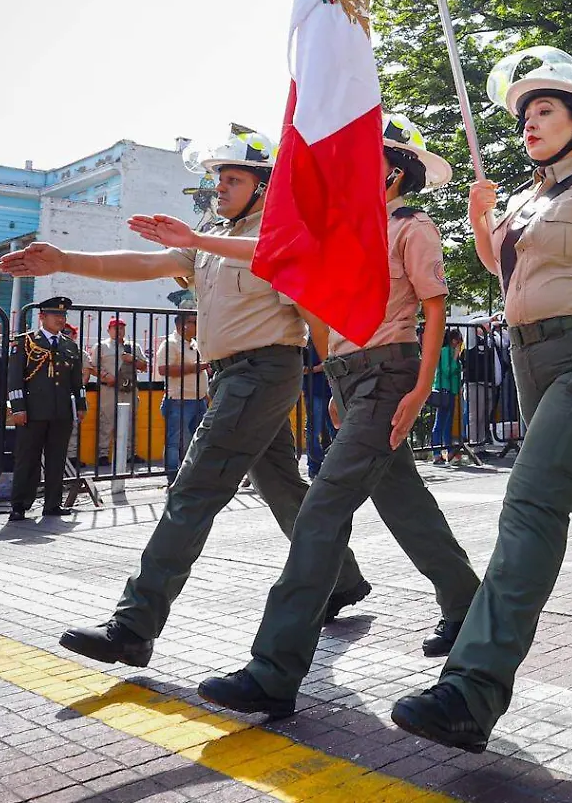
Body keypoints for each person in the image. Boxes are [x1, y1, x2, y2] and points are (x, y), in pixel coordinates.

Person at [390, 46, 572, 752]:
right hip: (533, 357)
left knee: (531, 502)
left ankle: (473, 688)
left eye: (544, 109)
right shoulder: (527, 197)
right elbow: (509, 271)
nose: (528, 122)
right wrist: (484, 220)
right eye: (523, 114)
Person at [0, 128, 369, 669]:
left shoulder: (279, 235)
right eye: (218, 176)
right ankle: (343, 577)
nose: (219, 187)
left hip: (263, 371)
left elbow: (315, 314)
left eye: (234, 178)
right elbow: (144, 264)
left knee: (194, 490)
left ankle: (134, 624)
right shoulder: (210, 238)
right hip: (232, 376)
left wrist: (339, 382)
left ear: (264, 186)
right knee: (283, 487)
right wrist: (64, 260)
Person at [199, 114, 481, 718]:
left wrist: (421, 385)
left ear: (395, 171)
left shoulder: (412, 225)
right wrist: (333, 376)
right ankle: (466, 604)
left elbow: (434, 307)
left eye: (367, 158)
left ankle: (273, 669)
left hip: (391, 374)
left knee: (323, 507)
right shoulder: (342, 230)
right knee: (404, 499)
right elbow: (301, 285)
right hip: (353, 377)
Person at [7, 296, 84, 521]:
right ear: (42, 317)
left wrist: (80, 405)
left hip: (61, 412)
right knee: (27, 458)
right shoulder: (26, 342)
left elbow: (76, 381)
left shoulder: (69, 345)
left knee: (57, 458)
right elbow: (15, 380)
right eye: (56, 315)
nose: (61, 319)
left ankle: (52, 503)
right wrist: (18, 408)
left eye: (63, 315)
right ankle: (19, 505)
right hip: (33, 411)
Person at [151, 312, 208, 482]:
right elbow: (164, 370)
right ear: (181, 325)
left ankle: (190, 477)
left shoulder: (194, 343)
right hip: (179, 401)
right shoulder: (170, 344)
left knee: (196, 441)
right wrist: (196, 368)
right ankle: (173, 478)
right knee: (175, 442)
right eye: (193, 322)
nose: (197, 326)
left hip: (198, 400)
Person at [87, 317, 149, 464]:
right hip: (109, 388)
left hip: (129, 389)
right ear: (109, 330)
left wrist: (132, 359)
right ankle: (102, 454)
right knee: (106, 420)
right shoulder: (101, 346)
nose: (119, 330)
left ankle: (130, 453)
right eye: (115, 328)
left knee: (130, 421)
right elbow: (92, 367)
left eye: (121, 327)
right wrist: (106, 376)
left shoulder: (133, 347)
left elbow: (144, 366)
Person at [300, 339, 334, 477]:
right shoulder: (307, 338)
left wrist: (316, 368)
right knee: (314, 429)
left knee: (335, 430)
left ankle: (326, 465)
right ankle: (315, 466)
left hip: (329, 387)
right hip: (315, 388)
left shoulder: (330, 334)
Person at [429, 328, 463, 465]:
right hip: (444, 389)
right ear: (454, 340)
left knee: (448, 423)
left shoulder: (451, 352)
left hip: (451, 390)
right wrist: (455, 358)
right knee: (440, 422)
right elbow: (447, 371)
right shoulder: (445, 352)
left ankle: (448, 452)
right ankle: (437, 453)